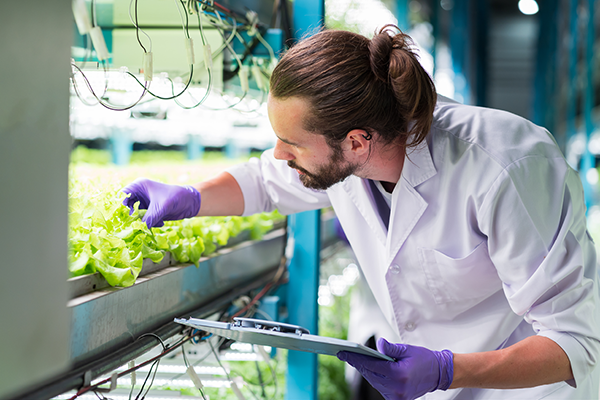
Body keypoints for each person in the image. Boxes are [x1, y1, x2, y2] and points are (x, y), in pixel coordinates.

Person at [122, 25, 600, 399]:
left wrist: (446, 370)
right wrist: (189, 196)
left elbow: (575, 344)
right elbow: (267, 180)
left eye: (291, 144)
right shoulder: (349, 157)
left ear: (356, 141)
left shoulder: (507, 165)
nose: (280, 154)